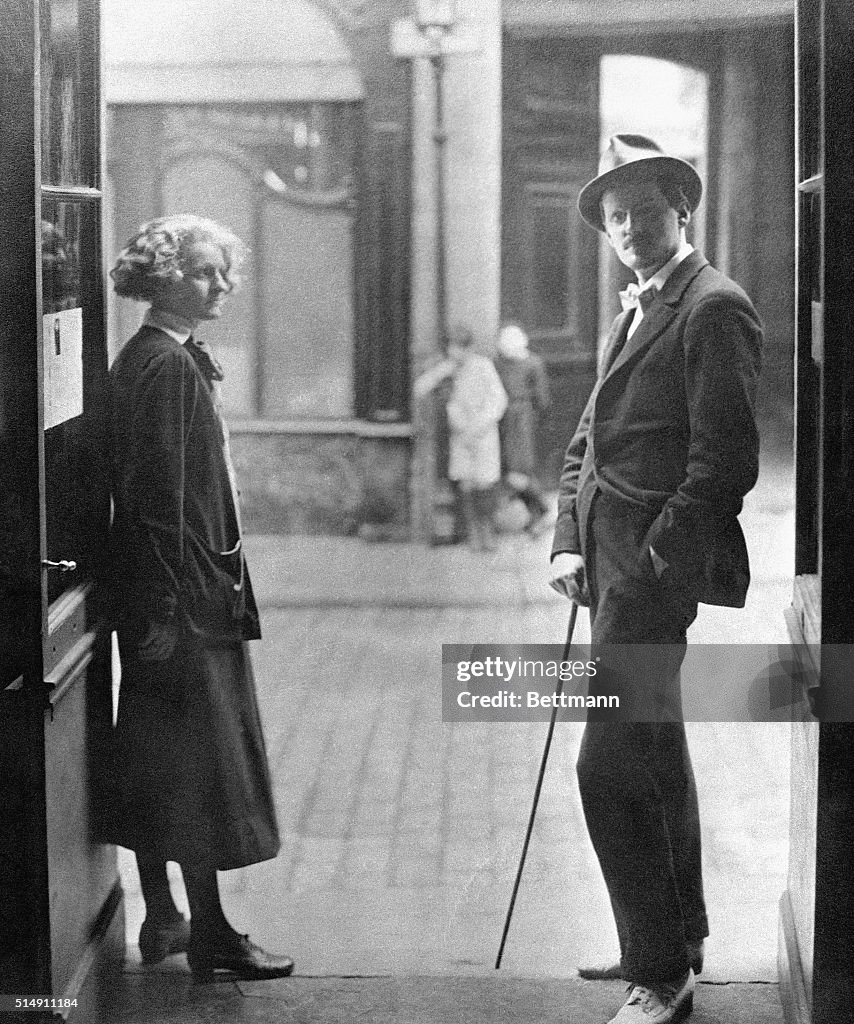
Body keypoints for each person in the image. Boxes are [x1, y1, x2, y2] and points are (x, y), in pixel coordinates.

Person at [547, 135, 762, 1024]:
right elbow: (590, 437)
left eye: (645, 210)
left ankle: (658, 970)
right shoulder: (636, 308)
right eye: (615, 217)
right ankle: (682, 936)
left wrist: (655, 566)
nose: (630, 228)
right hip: (605, 563)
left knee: (608, 767)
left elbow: (725, 465)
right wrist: (569, 536)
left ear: (684, 210)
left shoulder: (714, 307)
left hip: (648, 573)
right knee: (655, 752)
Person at [102, 215, 295, 983]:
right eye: (204, 272)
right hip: (183, 608)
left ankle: (164, 916)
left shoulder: (148, 356)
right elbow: (159, 504)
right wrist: (171, 611)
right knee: (202, 769)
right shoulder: (168, 367)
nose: (222, 285)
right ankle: (212, 934)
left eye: (224, 272)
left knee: (155, 760)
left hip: (162, 600)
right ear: (164, 276)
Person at [415, 326, 507, 550]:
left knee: (484, 481)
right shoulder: (449, 369)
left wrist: (482, 423)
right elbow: (420, 388)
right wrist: (441, 372)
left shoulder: (483, 367)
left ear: (470, 349)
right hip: (460, 433)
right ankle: (471, 532)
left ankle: (488, 532)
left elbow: (498, 399)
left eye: (461, 349)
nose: (457, 354)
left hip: (483, 432)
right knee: (465, 481)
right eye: (453, 348)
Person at [494, 322, 552, 536]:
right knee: (510, 468)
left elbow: (542, 398)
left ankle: (542, 510)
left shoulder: (533, 363)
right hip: (505, 418)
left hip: (522, 420)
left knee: (519, 468)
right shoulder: (499, 364)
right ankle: (537, 513)